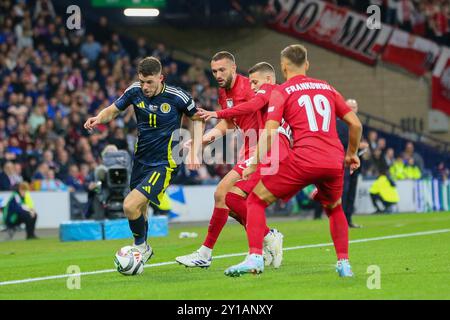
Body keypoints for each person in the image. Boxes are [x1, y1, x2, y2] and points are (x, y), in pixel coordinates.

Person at [224, 44, 362, 278]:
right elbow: (355, 124)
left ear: (283, 66)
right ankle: (344, 264)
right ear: (306, 64)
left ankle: (255, 257)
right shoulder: (326, 87)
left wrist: (254, 164)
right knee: (335, 208)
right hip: (333, 160)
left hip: (304, 158)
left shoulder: (283, 90)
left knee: (256, 200)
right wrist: (352, 153)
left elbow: (269, 132)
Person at [84, 56, 203, 264]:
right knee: (140, 208)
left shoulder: (177, 96)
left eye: (150, 82)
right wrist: (98, 118)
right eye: (142, 81)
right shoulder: (134, 91)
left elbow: (198, 119)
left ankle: (140, 246)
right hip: (140, 161)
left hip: (164, 163)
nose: (145, 87)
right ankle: (144, 248)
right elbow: (113, 110)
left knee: (129, 205)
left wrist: (195, 148)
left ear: (161, 78)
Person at [175, 53, 282, 269]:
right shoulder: (224, 92)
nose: (218, 75)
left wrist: (215, 113)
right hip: (247, 151)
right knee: (233, 205)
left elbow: (250, 108)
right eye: (214, 71)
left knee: (221, 193)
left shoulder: (250, 86)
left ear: (233, 68)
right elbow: (229, 123)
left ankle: (205, 253)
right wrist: (204, 140)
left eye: (222, 70)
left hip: (261, 149)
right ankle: (266, 237)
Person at [336, 99, 367, 228]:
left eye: (355, 107)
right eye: (350, 107)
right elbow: (341, 141)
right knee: (345, 190)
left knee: (352, 191)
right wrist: (359, 145)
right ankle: (341, 220)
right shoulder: (340, 123)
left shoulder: (357, 123)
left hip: (355, 161)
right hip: (344, 162)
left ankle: (348, 219)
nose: (353, 109)